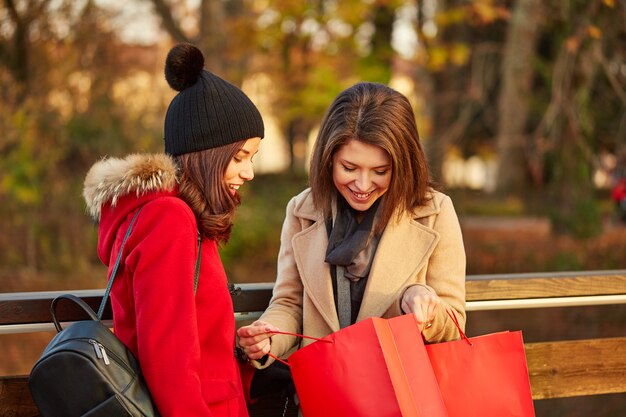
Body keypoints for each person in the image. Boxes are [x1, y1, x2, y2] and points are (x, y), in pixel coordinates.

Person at [82, 43, 264, 416]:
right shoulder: (169, 220)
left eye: (253, 158)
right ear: (207, 153)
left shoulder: (175, 216)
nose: (248, 172)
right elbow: (169, 362)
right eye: (240, 157)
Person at [237, 81, 466, 368]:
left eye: (380, 171)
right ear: (328, 158)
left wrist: (426, 307)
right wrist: (268, 336)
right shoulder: (302, 210)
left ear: (403, 165)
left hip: (401, 396)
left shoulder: (435, 211)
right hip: (326, 391)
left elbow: (454, 321)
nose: (362, 185)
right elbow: (289, 304)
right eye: (349, 168)